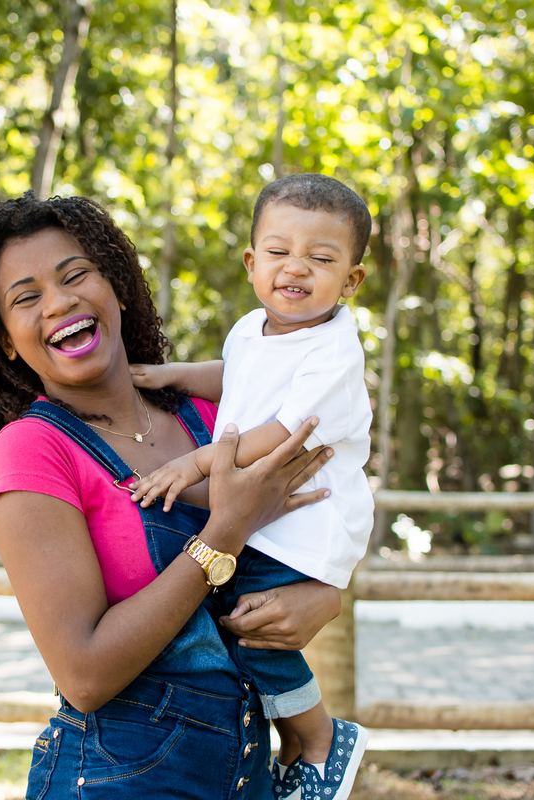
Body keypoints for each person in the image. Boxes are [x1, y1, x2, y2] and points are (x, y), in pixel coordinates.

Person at [0, 192, 345, 800]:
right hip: (116, 779)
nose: (61, 301)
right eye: (27, 297)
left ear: (117, 288)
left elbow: (330, 493)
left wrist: (323, 595)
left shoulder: (219, 417)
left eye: (76, 277)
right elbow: (85, 675)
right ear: (6, 342)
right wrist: (223, 533)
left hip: (247, 776)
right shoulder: (31, 451)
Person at [129, 173, 374, 800]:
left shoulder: (334, 349)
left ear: (351, 280)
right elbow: (233, 369)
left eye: (320, 259)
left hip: (306, 520)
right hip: (267, 514)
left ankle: (319, 740)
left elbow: (287, 429)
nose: (295, 268)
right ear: (250, 261)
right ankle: (290, 744)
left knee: (253, 630)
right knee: (235, 624)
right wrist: (168, 375)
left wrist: (198, 463)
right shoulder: (252, 327)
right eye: (278, 251)